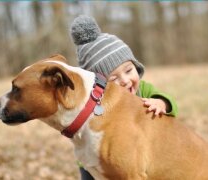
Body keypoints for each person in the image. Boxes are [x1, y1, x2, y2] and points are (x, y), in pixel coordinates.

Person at [70, 15, 178, 180]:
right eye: (113, 79)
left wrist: (161, 102)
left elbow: (172, 105)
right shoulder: (97, 106)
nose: (125, 81)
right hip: (94, 163)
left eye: (128, 71)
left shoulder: (143, 90)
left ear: (136, 66)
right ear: (98, 87)